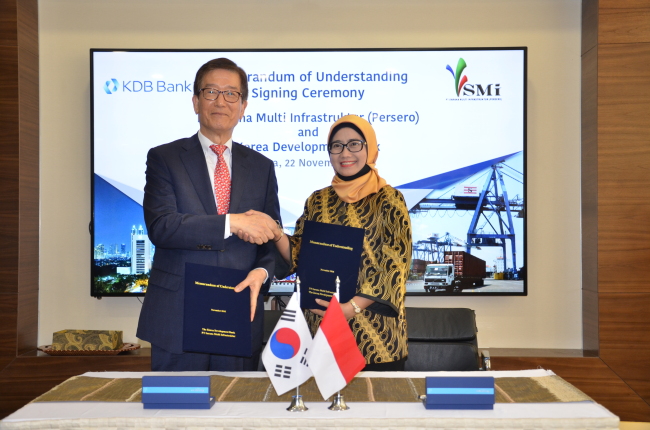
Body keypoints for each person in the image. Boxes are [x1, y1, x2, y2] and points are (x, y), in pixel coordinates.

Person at [136, 58, 281, 371]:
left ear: (243, 106)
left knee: (235, 415)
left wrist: (264, 273)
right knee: (176, 415)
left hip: (239, 314)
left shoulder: (261, 167)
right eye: (211, 92)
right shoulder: (165, 158)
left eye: (231, 94)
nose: (220, 101)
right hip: (178, 318)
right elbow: (162, 226)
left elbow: (271, 238)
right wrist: (232, 222)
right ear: (195, 102)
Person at [256, 115, 412, 370]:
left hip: (374, 337)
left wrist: (351, 308)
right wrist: (275, 233)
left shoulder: (389, 199)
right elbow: (299, 255)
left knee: (376, 407)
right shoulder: (317, 200)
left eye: (354, 144)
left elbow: (395, 265)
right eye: (336, 145)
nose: (344, 152)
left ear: (370, 148)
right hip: (321, 332)